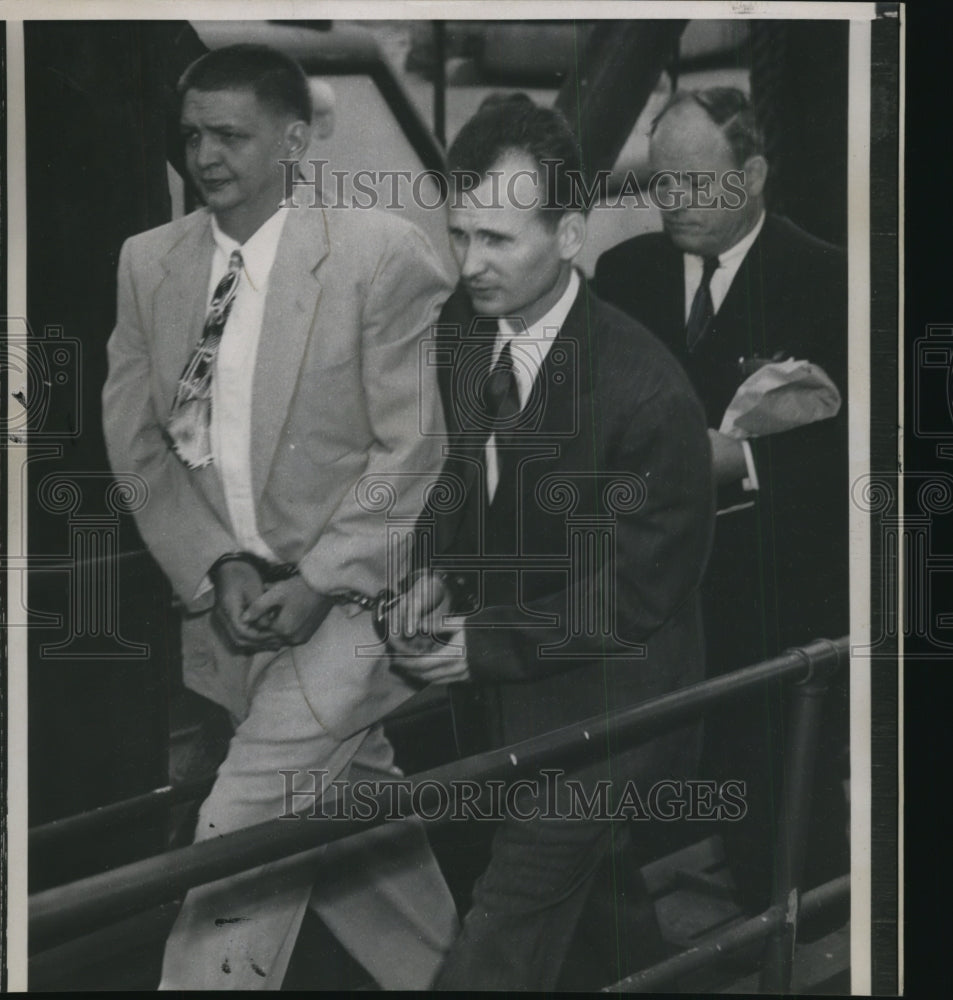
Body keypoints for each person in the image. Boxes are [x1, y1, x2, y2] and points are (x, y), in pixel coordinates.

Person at [102, 44, 458, 989]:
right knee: (353, 823)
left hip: (347, 611)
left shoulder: (380, 255)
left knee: (238, 833)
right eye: (192, 136)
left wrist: (322, 582)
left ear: (294, 139)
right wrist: (215, 565)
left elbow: (413, 449)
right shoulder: (149, 263)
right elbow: (136, 444)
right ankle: (460, 976)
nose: (206, 156)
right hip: (231, 614)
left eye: (230, 135)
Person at [388, 98, 714, 990]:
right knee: (593, 910)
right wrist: (431, 572)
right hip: (516, 690)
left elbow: (641, 593)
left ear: (569, 235)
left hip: (617, 699)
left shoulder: (646, 391)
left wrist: (485, 644)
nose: (469, 264)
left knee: (503, 927)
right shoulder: (462, 329)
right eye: (458, 235)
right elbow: (457, 479)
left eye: (496, 239)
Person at [595, 87, 849, 907]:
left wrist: (737, 461)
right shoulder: (621, 272)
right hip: (648, 594)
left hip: (771, 600)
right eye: (662, 183)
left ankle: (810, 941)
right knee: (622, 799)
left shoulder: (829, 280)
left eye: (697, 184)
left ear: (753, 174)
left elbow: (858, 460)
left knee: (779, 812)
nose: (675, 203)